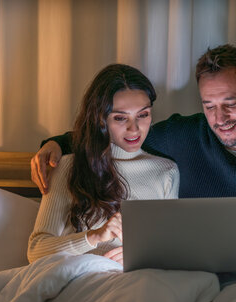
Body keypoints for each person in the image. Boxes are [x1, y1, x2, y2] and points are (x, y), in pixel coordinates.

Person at [31, 44, 236, 282]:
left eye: (230, 103)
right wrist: (56, 144)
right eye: (209, 105)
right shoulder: (187, 136)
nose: (219, 119)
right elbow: (117, 136)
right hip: (196, 287)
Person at [27, 64, 179, 265]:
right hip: (81, 280)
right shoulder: (67, 166)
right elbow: (36, 251)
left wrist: (142, 256)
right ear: (100, 119)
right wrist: (95, 237)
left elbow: (171, 248)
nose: (134, 129)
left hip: (136, 282)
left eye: (143, 115)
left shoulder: (166, 172)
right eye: (120, 118)